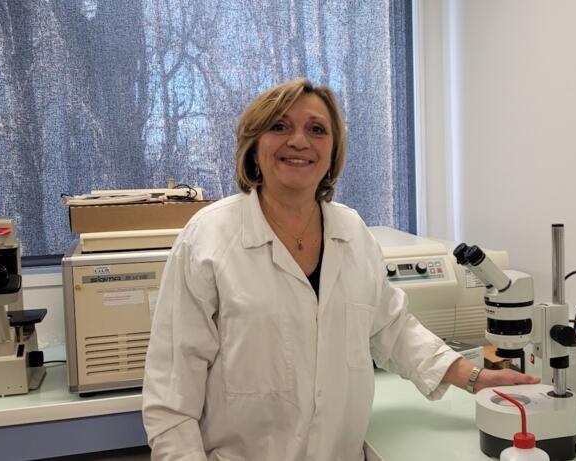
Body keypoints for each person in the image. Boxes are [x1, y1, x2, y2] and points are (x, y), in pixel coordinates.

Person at [142, 78, 538, 461]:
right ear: (254, 145)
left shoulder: (352, 232)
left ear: (333, 151)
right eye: (280, 126)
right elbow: (171, 400)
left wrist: (474, 377)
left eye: (317, 129)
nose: (299, 141)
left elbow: (392, 328)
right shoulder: (207, 239)